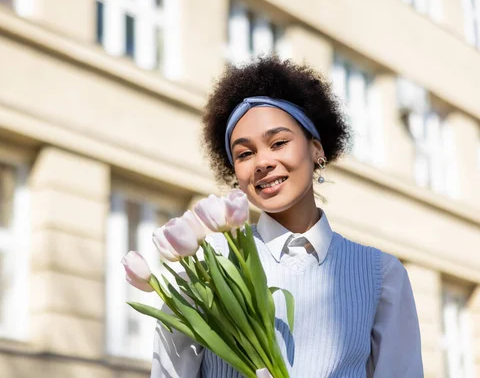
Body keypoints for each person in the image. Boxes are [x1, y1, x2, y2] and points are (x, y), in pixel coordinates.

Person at [150, 56, 423, 378]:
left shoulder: (382, 275)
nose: (262, 162)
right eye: (245, 153)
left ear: (316, 150)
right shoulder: (204, 272)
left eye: (278, 143)